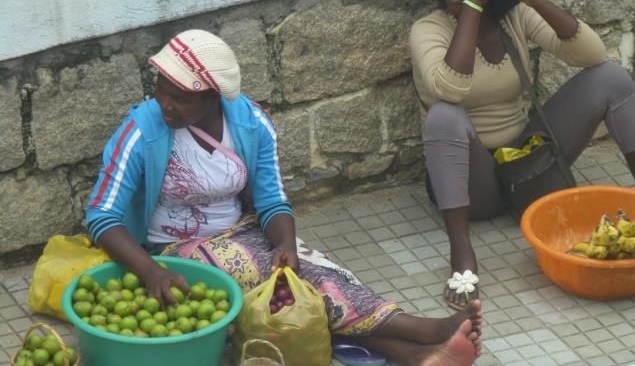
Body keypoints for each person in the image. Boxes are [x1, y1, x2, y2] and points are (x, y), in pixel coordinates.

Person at [84, 29, 482, 366]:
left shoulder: (250, 124)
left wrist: (286, 243)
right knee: (283, 292)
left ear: (211, 96)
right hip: (175, 247)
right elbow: (102, 215)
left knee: (321, 279)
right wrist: (152, 271)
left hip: (244, 230)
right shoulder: (142, 129)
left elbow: (272, 201)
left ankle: (419, 354)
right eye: (161, 90)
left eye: (180, 97)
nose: (165, 103)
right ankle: (424, 332)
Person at [409, 0, 635, 311]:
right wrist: (474, 8)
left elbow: (590, 53)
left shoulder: (515, 16)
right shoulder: (428, 29)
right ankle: (462, 257)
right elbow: (449, 89)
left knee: (612, 78)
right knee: (444, 115)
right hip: (474, 183)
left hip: (527, 162)